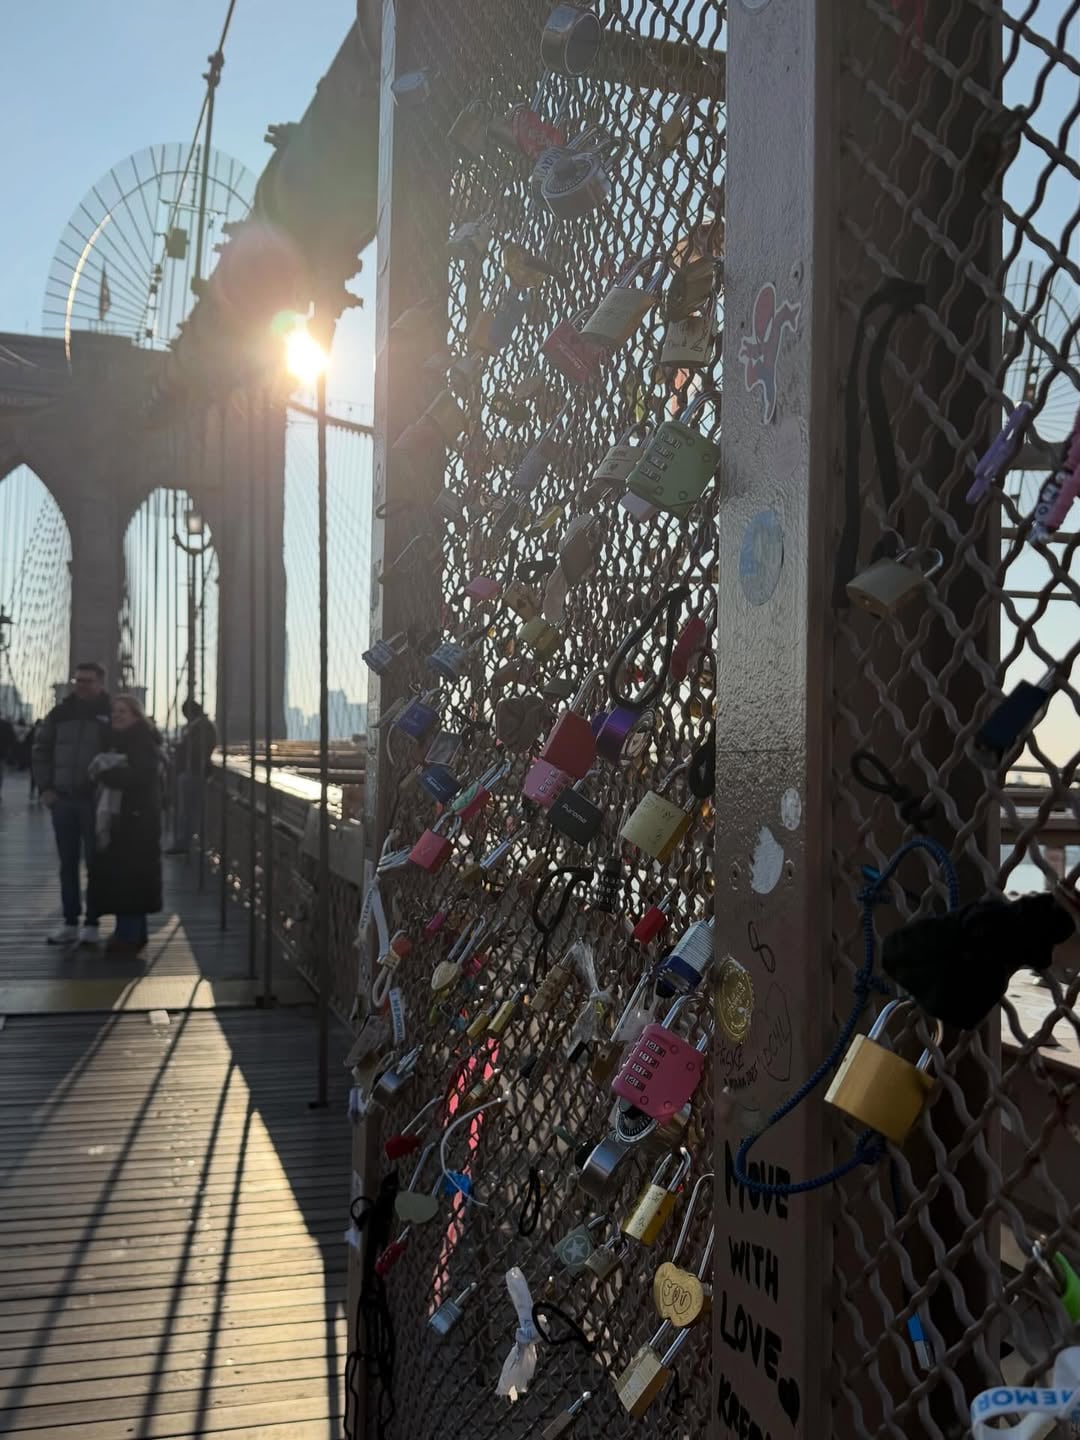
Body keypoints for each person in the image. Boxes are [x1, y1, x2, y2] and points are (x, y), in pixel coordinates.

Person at [32, 663, 111, 944]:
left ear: (101, 682)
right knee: (67, 864)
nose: (81, 686)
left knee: (96, 864)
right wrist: (46, 789)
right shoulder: (59, 714)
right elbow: (40, 750)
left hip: (95, 801)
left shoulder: (112, 714)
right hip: (63, 800)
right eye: (78, 680)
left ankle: (92, 924)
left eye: (88, 681)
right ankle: (70, 922)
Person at [87, 693, 163, 954]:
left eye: (124, 711)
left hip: (135, 822)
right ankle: (131, 934)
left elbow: (141, 776)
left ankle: (128, 937)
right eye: (115, 711)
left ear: (136, 716)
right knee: (128, 879)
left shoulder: (140, 741)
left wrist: (106, 772)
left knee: (130, 878)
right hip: (128, 820)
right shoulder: (124, 740)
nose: (117, 715)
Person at [166, 698, 218, 855]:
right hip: (192, 772)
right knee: (188, 811)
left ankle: (183, 843)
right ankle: (186, 842)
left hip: (193, 773)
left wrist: (179, 747)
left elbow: (196, 750)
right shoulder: (202, 726)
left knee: (186, 811)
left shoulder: (201, 727)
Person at [0, 715, 15, 800]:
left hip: (2, 753)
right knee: (0, 773)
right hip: (2, 753)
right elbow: (12, 739)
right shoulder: (6, 725)